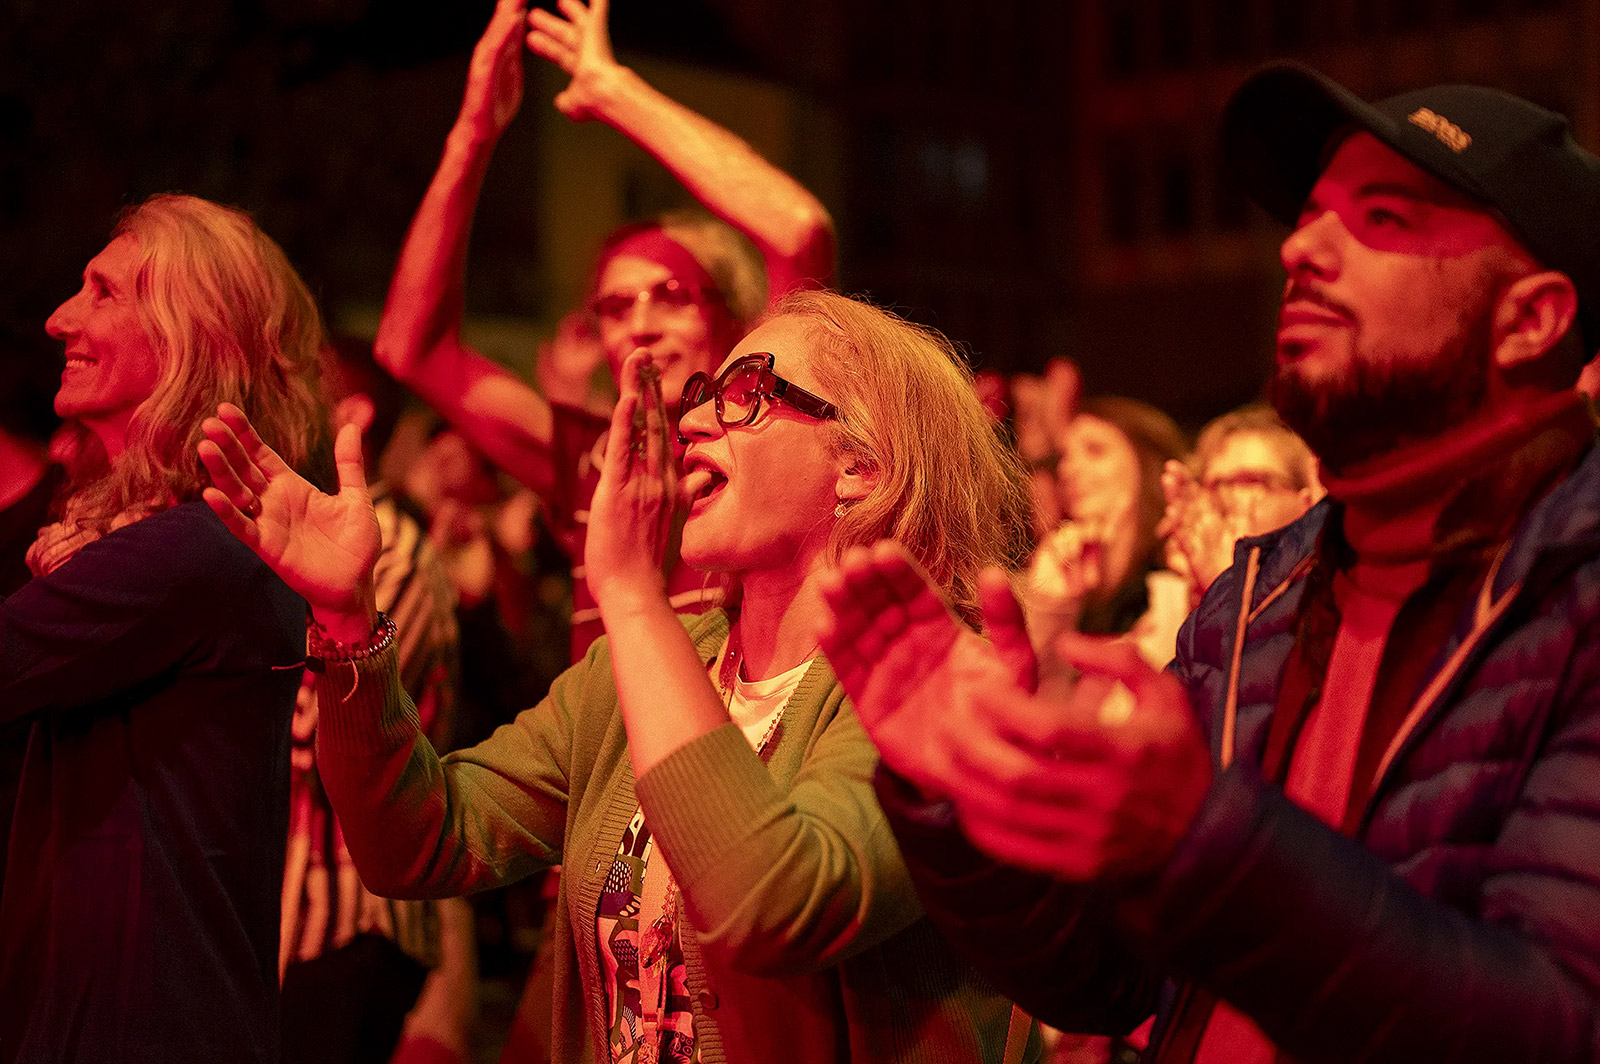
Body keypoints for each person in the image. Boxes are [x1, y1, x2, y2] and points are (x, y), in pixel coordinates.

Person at [819, 64, 1600, 1064]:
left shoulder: (1576, 587)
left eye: (1385, 218)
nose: (1301, 248)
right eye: (1308, 216)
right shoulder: (1257, 597)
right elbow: (1109, 975)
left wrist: (1200, 836)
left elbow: (1556, 1024)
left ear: (1530, 318)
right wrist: (967, 794)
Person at [198, 289, 1037, 1064]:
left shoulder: (940, 682)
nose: (697, 416)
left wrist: (630, 590)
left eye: (746, 390)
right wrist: (347, 622)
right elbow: (419, 842)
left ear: (863, 464)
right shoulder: (640, 670)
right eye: (703, 391)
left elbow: (775, 902)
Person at [375, 0, 836, 662]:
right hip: (604, 766)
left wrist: (610, 89)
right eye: (616, 309)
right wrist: (472, 135)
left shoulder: (774, 429)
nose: (641, 326)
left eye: (672, 296)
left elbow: (798, 230)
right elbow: (409, 347)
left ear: (736, 316)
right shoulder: (595, 463)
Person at [0, 194, 327, 1063]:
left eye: (103, 293)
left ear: (192, 335)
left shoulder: (191, 548)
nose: (58, 317)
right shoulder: (180, 540)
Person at [279, 337, 478, 1064]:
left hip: (351, 920)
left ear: (351, 418)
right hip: (298, 919)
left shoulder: (388, 551)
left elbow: (310, 737)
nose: (269, 405)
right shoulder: (308, 543)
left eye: (294, 385)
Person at [1025, 397, 1189, 666]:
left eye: (1095, 451)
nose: (1068, 469)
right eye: (1064, 457)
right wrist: (1050, 609)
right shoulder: (1057, 572)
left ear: (1146, 465)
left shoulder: (1175, 586)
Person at [1161, 403, 1321, 601]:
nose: (1229, 501)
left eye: (1250, 482)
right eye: (1216, 485)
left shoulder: (1330, 601)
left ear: (1307, 501)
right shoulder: (1180, 600)